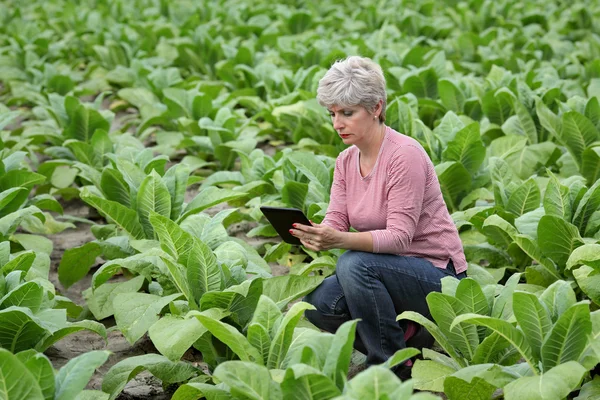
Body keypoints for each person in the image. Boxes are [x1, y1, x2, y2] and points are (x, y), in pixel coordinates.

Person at [289, 56, 468, 379]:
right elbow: (336, 220)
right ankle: (405, 336)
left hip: (439, 278)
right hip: (386, 275)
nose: (336, 124)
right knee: (320, 304)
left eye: (347, 113)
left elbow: (400, 237)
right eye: (332, 114)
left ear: (376, 108)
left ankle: (390, 367)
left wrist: (339, 242)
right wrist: (316, 233)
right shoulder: (345, 161)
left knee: (353, 263)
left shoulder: (405, 155)